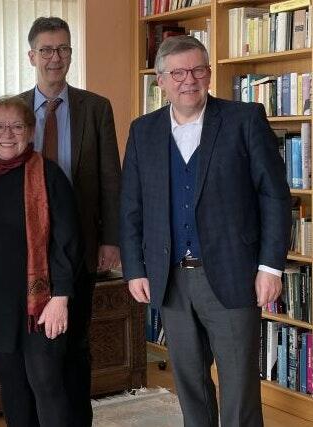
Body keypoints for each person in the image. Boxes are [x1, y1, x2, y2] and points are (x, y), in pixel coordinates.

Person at [120, 35, 290, 426]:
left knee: (239, 387)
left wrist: (271, 268)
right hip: (171, 279)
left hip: (233, 275)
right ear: (160, 80)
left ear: (209, 73)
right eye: (177, 73)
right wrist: (135, 267)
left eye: (197, 70)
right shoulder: (143, 130)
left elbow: (275, 197)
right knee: (190, 382)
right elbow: (132, 206)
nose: (188, 80)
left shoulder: (243, 119)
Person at [19, 16, 121, 425]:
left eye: (63, 49)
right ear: (32, 56)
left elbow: (110, 177)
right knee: (32, 344)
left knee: (76, 341)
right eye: (46, 50)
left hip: (78, 242)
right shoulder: (14, 108)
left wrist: (110, 240)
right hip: (26, 247)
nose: (55, 57)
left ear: (71, 54)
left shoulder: (95, 108)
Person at [0, 96, 84, 426]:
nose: (7, 133)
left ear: (30, 131)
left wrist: (60, 297)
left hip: (40, 303)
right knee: (13, 385)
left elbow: (67, 241)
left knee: (46, 382)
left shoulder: (49, 175)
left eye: (16, 126)